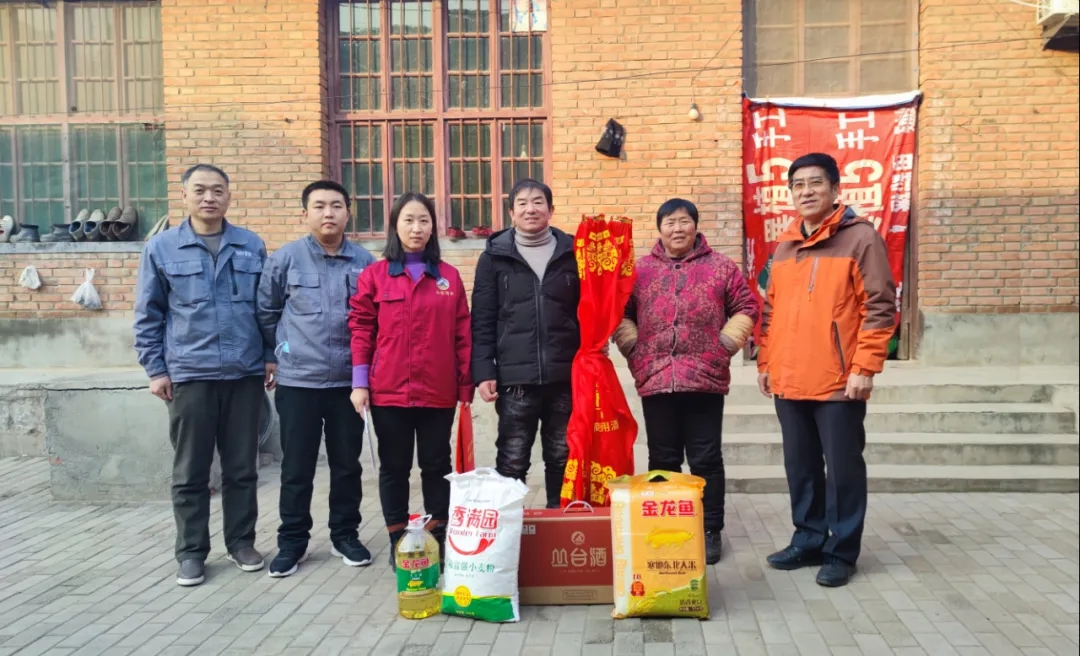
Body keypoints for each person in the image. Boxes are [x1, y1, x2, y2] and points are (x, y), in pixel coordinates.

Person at [757, 152, 896, 588]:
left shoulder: (860, 239)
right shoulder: (785, 245)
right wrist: (766, 361)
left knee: (843, 470)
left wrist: (865, 367)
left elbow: (880, 306)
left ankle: (841, 551)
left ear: (836, 189)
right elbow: (770, 311)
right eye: (797, 185)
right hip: (789, 377)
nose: (806, 192)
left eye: (815, 183)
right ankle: (808, 539)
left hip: (838, 381)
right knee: (801, 468)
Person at [134, 164, 269, 587]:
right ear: (185, 196)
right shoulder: (162, 248)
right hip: (190, 374)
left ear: (229, 196)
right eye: (200, 190)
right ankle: (191, 552)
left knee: (242, 468)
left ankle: (241, 543)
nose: (209, 197)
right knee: (191, 472)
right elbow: (148, 314)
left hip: (244, 374)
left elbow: (266, 308)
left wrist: (271, 356)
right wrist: (156, 369)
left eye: (217, 190)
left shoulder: (250, 245)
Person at [612, 199, 758, 565]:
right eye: (670, 223)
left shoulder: (720, 267)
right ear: (659, 229)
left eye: (684, 221)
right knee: (663, 458)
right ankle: (666, 525)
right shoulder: (640, 270)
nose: (678, 229)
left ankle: (710, 530)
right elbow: (620, 312)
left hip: (705, 378)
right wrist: (634, 348)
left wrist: (724, 345)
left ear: (695, 225)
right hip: (656, 376)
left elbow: (746, 307)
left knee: (705, 458)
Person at [257, 180, 377, 578]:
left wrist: (366, 375)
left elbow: (374, 321)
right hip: (298, 383)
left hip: (347, 384)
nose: (329, 213)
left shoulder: (365, 262)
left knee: (347, 466)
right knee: (297, 468)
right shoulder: (286, 259)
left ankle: (346, 535)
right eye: (320, 206)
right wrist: (277, 355)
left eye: (336, 206)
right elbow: (266, 311)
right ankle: (292, 542)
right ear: (305, 213)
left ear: (348, 212)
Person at [347, 192, 472, 566]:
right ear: (395, 225)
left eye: (424, 221)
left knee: (436, 465)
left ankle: (436, 535)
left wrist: (465, 385)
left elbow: (462, 335)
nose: (416, 228)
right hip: (389, 391)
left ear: (433, 227)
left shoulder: (448, 277)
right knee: (394, 467)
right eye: (408, 220)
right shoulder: (375, 276)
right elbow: (362, 329)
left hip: (438, 390)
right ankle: (398, 537)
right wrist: (360, 383)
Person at [470, 179, 580, 509]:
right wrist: (484, 371)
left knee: (562, 455)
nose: (530, 209)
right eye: (522, 203)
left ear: (551, 209)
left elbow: (588, 309)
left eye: (537, 202)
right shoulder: (494, 257)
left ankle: (560, 525)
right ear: (511, 213)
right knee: (513, 458)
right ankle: (510, 529)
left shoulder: (573, 253)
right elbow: (483, 319)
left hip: (565, 376)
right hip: (515, 379)